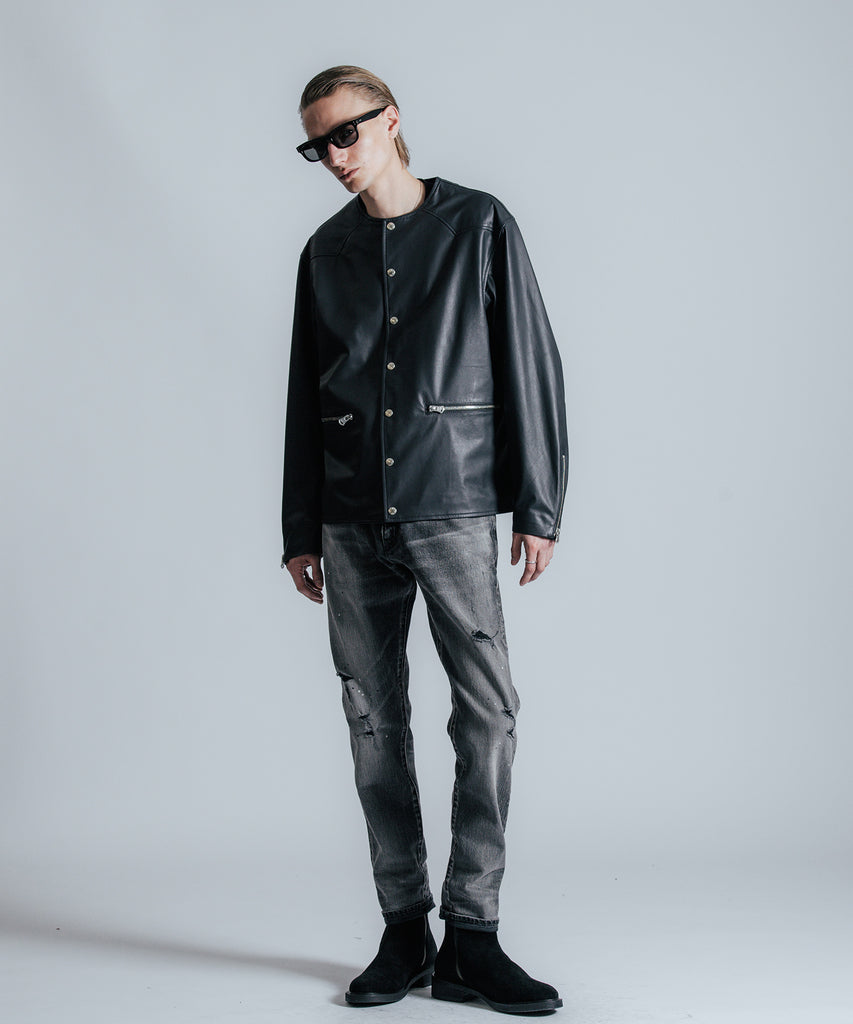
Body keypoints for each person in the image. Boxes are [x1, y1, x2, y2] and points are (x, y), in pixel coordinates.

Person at [281, 65, 569, 1015]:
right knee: (373, 721)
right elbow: (304, 393)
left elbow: (527, 358)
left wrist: (537, 502)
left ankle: (472, 935)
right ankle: (404, 931)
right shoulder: (324, 252)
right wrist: (299, 526)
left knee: (486, 713)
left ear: (391, 119)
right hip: (349, 516)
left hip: (452, 503)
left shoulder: (477, 224)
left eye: (346, 134)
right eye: (317, 145)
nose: (334, 156)